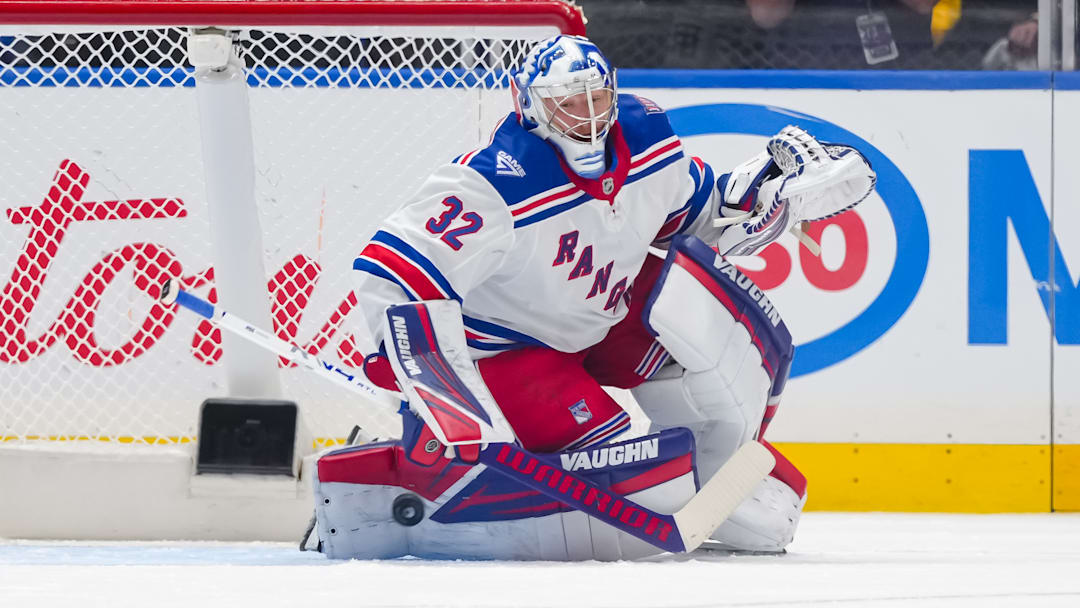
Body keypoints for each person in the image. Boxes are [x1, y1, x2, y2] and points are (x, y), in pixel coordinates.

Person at [306, 34, 875, 560]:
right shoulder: (492, 184)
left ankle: (716, 465)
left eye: (597, 98)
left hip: (601, 321)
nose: (588, 117)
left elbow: (700, 215)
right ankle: (416, 469)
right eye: (566, 104)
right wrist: (441, 394)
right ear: (530, 106)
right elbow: (391, 275)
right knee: (644, 481)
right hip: (510, 356)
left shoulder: (648, 139)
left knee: (715, 357)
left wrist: (765, 189)